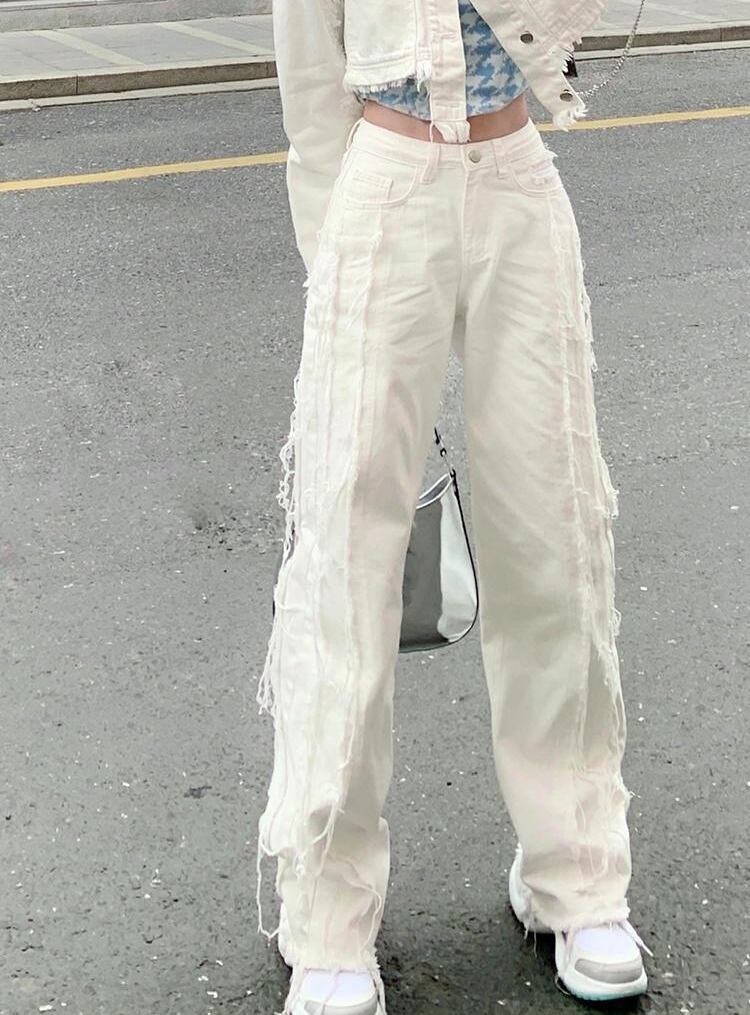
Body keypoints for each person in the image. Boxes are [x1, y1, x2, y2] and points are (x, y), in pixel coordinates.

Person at [255, 1, 652, 1012]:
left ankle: (576, 873)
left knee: (554, 528)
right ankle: (329, 908)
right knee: (347, 550)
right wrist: (334, 263)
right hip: (383, 182)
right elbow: (310, 80)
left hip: (516, 177)